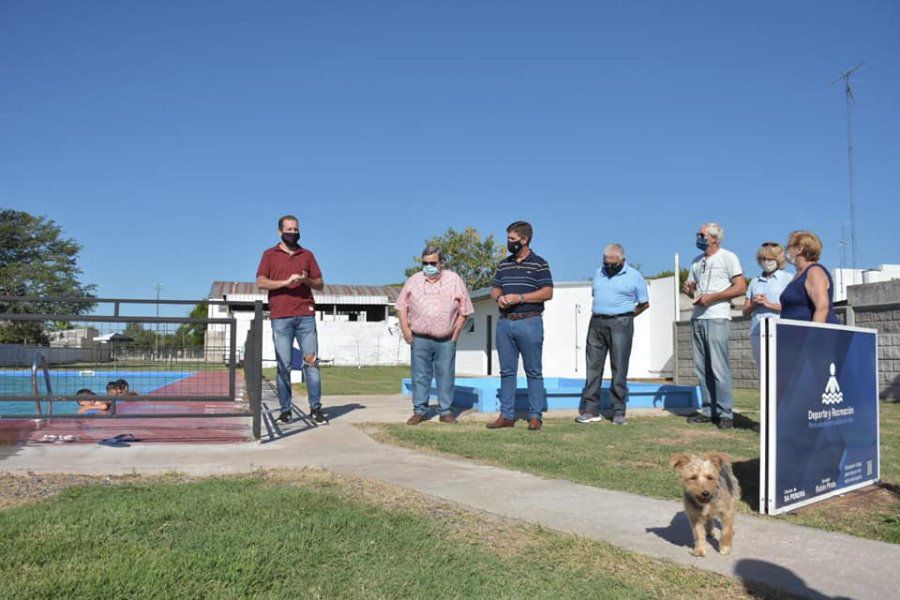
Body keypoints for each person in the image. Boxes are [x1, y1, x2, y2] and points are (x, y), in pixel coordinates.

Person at [256, 214, 327, 424]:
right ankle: (286, 411)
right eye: (289, 229)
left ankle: (316, 409)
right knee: (284, 366)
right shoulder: (269, 254)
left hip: (306, 316)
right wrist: (285, 283)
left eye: (296, 229)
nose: (293, 233)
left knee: (311, 364)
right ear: (280, 232)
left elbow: (320, 283)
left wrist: (306, 279)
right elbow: (261, 282)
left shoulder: (307, 254)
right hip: (280, 317)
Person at [487, 221, 553, 431]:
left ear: (524, 240)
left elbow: (548, 292)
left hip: (530, 322)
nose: (508, 242)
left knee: (533, 371)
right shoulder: (503, 265)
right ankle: (506, 416)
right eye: (508, 238)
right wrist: (500, 298)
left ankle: (535, 416)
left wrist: (521, 297)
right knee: (507, 372)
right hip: (505, 324)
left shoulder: (540, 264)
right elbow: (495, 289)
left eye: (512, 239)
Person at [396, 247, 474, 425]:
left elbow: (466, 309)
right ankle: (419, 411)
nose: (428, 266)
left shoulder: (454, 280)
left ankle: (445, 411)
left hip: (446, 339)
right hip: (420, 338)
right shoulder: (414, 280)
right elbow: (401, 306)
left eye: (432, 263)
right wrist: (406, 330)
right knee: (420, 376)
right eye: (425, 263)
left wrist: (456, 333)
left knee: (445, 375)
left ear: (441, 263)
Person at [576, 244, 649, 426]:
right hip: (596, 322)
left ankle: (618, 411)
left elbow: (644, 303)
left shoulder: (634, 276)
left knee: (619, 367)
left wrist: (626, 316)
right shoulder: (598, 272)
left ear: (622, 260)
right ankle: (591, 410)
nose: (608, 266)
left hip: (621, 323)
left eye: (612, 263)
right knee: (593, 367)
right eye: (605, 262)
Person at [682, 223, 746, 429]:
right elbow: (693, 292)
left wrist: (714, 297)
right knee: (701, 368)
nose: (698, 237)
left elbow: (741, 287)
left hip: (717, 317)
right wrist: (689, 290)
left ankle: (725, 412)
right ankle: (708, 409)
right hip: (698, 317)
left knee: (719, 367)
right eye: (697, 234)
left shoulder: (728, 257)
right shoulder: (696, 261)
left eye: (702, 234)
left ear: (715, 238)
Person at [743, 242, 791, 366]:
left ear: (778, 259)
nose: (766, 262)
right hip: (757, 331)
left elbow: (792, 308)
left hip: (779, 330)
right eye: (763, 259)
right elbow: (745, 312)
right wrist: (754, 303)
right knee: (762, 368)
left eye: (770, 259)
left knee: (780, 367)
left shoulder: (788, 279)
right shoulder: (754, 281)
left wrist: (768, 304)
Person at [780, 230, 839, 324]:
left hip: (814, 336)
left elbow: (822, 308)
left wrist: (814, 336)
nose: (786, 250)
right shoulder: (798, 275)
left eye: (789, 246)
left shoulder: (814, 271)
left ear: (799, 249)